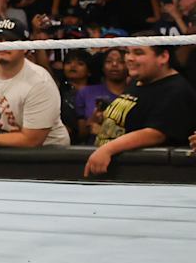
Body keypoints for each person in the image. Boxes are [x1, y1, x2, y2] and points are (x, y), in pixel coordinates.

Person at [0, 18, 72, 157]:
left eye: (10, 40)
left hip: (47, 153)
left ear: (24, 48)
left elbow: (32, 140)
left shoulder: (39, 82)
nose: (2, 45)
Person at [84, 41, 196, 176]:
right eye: (127, 52)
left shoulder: (176, 90)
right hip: (116, 170)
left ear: (163, 57)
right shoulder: (139, 81)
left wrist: (107, 149)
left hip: (146, 175)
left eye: (138, 52)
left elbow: (155, 133)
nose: (129, 58)